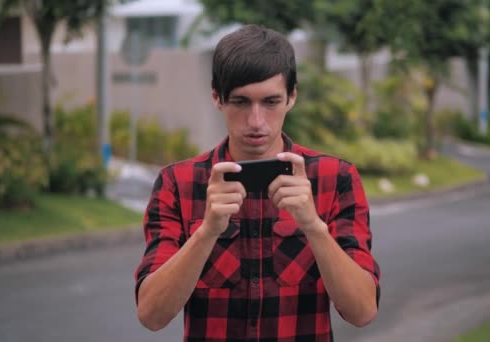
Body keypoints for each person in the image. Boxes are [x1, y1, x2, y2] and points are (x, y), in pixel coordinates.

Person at [134, 24, 380, 341]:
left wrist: (313, 226)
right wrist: (207, 231)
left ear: (292, 97)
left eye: (270, 102)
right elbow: (152, 315)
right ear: (217, 98)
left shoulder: (336, 178)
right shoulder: (176, 183)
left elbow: (362, 311)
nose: (256, 121)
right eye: (240, 102)